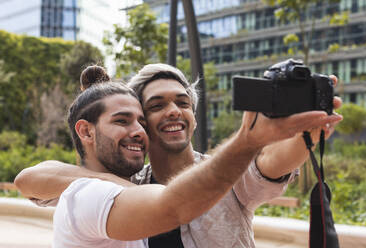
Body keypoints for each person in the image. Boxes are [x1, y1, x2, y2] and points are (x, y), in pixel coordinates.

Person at [15, 64, 342, 248]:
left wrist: (307, 131)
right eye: (156, 106)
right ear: (143, 123)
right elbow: (29, 180)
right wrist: (108, 180)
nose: (173, 112)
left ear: (194, 116)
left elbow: (273, 161)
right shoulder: (129, 182)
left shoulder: (226, 173)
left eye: (183, 103)